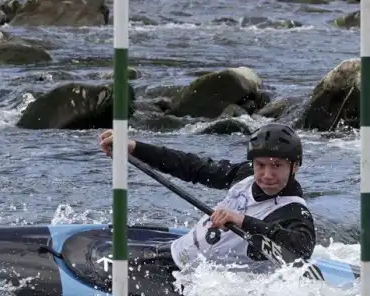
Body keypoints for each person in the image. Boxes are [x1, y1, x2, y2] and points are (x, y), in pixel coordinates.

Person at [98, 122, 317, 284]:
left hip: (206, 285)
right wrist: (133, 148)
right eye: (260, 165)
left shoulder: (293, 211)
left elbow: (302, 249)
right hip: (176, 254)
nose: (267, 174)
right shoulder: (243, 174)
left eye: (277, 166)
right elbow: (192, 166)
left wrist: (242, 220)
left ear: (295, 166)